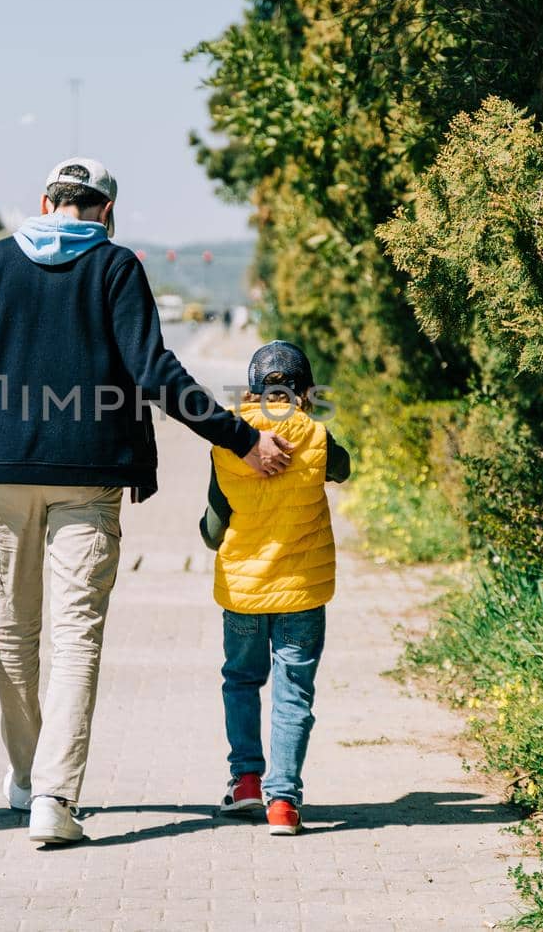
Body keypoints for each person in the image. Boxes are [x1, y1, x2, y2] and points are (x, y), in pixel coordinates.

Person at [0, 157, 295, 845]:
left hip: (3, 474)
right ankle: (52, 795)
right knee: (75, 636)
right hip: (90, 476)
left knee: (14, 637)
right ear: (106, 211)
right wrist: (238, 438)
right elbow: (156, 372)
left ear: (46, 201)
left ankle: (27, 778)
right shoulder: (116, 267)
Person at [198, 340, 351, 836]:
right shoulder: (317, 436)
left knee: (241, 680)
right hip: (302, 590)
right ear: (305, 392)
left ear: (251, 389)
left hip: (244, 590)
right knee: (294, 691)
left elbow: (213, 529)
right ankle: (283, 804)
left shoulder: (229, 441)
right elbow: (343, 468)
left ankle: (245, 782)